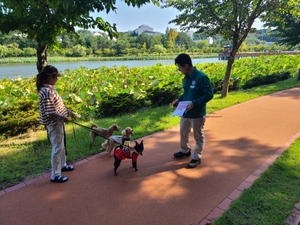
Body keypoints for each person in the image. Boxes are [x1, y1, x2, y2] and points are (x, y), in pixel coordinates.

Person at [172, 54, 214, 168]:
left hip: (197, 114)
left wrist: (194, 103)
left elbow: (209, 95)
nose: (179, 70)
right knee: (183, 132)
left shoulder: (201, 77)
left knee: (198, 136)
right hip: (185, 112)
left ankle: (196, 157)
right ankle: (185, 150)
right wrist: (178, 100)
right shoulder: (186, 78)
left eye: (179, 67)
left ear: (186, 65)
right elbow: (186, 93)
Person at [36, 65, 77, 183]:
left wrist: (69, 112)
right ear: (50, 77)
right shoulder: (47, 91)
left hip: (58, 123)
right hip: (54, 124)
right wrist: (63, 117)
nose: (57, 79)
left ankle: (63, 165)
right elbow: (50, 112)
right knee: (57, 147)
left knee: (61, 145)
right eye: (56, 77)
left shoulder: (49, 89)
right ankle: (55, 175)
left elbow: (58, 107)